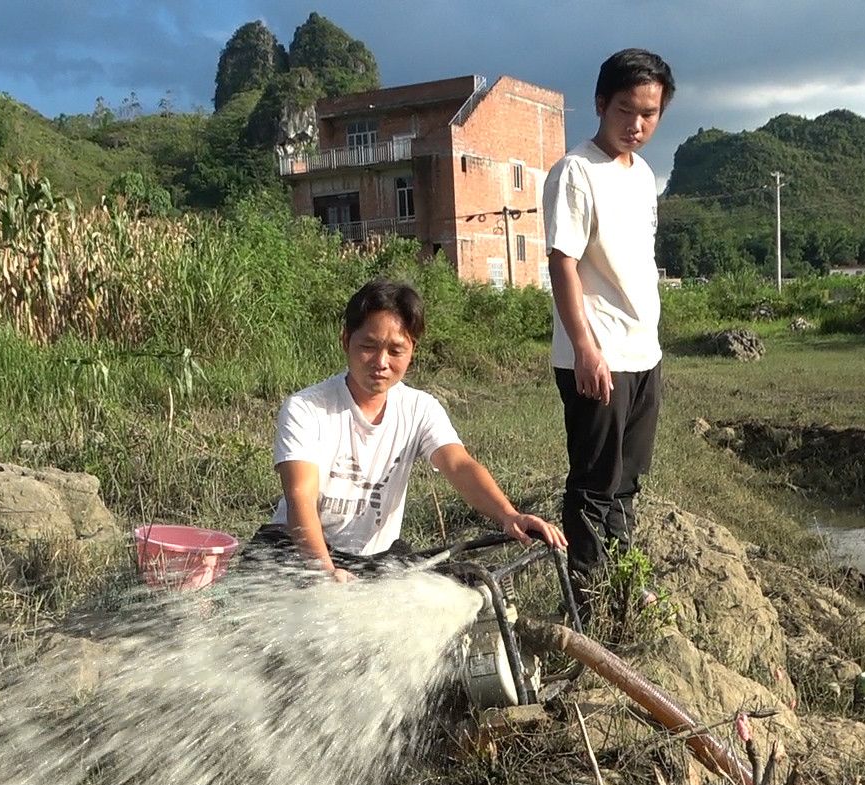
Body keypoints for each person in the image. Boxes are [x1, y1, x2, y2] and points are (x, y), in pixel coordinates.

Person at [255, 279, 565, 580]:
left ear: (412, 350)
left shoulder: (419, 408)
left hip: (373, 560)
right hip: (298, 552)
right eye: (368, 346)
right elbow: (301, 498)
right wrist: (324, 573)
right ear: (345, 340)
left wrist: (509, 515)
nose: (381, 362)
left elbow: (458, 465)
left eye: (395, 350)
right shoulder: (306, 408)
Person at [543, 48, 674, 608]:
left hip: (643, 352)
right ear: (601, 104)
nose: (637, 125)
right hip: (596, 356)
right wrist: (586, 348)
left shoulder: (642, 173)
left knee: (629, 479)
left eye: (649, 113)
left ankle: (621, 582)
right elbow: (561, 263)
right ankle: (588, 602)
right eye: (626, 110)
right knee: (595, 482)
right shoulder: (575, 171)